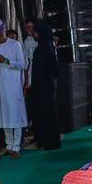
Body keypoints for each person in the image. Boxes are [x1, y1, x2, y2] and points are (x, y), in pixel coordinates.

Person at [0, 20, 28, 158]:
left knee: (15, 116)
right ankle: (8, 145)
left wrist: (6, 61)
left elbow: (22, 65)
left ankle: (16, 147)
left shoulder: (15, 44)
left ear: (4, 31)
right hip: (1, 87)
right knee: (4, 117)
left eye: (0, 34)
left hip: (13, 87)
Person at [26, 17, 61, 150]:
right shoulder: (49, 46)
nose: (34, 34)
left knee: (45, 115)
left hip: (42, 88)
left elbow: (39, 72)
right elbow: (55, 70)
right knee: (50, 114)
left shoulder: (41, 49)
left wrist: (35, 88)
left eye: (35, 32)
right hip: (48, 87)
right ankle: (51, 141)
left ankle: (48, 142)